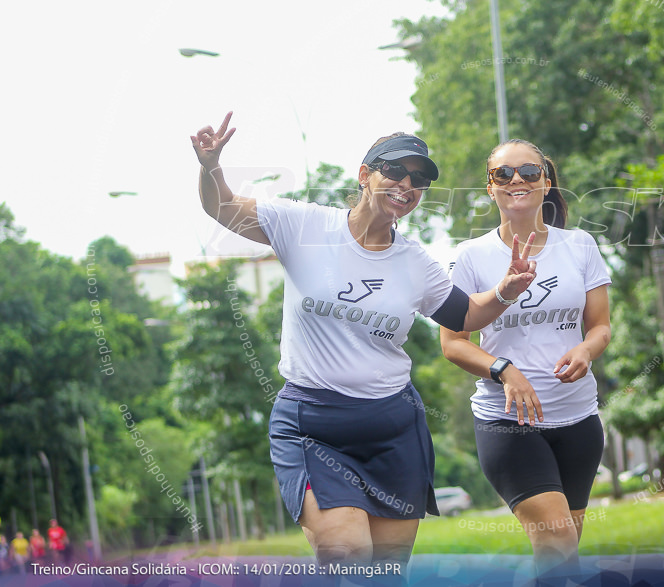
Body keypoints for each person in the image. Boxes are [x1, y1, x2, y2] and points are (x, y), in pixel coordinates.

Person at [190, 112, 537, 571]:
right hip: (314, 426)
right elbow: (223, 208)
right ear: (364, 175)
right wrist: (210, 166)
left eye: (418, 179)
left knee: (386, 572)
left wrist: (505, 291)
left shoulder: (415, 262)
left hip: (392, 428)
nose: (406, 184)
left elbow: (464, 314)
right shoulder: (305, 226)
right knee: (346, 553)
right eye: (394, 170)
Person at [440, 139, 611, 576]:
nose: (517, 180)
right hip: (508, 422)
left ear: (546, 183)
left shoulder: (580, 245)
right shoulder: (470, 257)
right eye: (503, 174)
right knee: (557, 540)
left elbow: (600, 326)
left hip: (578, 421)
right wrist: (503, 369)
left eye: (529, 172)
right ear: (490, 188)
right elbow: (453, 342)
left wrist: (586, 350)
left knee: (564, 552)